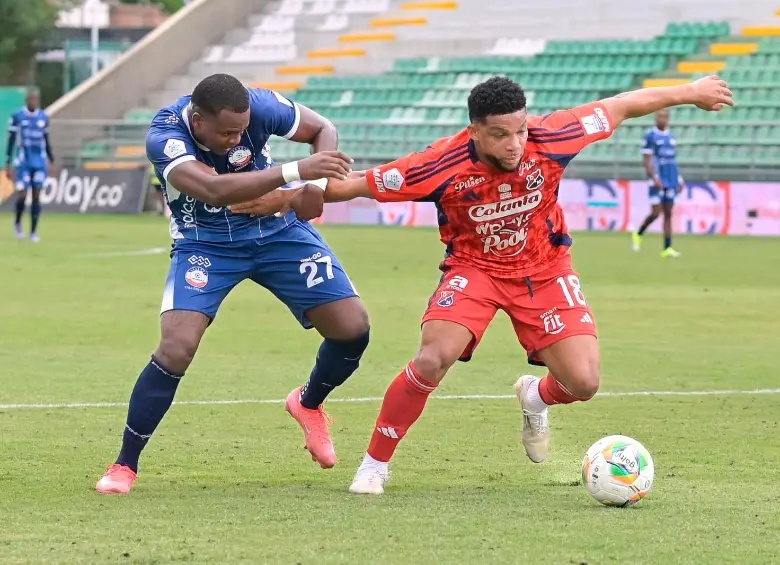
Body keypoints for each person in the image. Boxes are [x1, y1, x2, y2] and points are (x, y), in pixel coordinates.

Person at [232, 74, 733, 495]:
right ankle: (375, 465)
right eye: (500, 135)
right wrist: (284, 195)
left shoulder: (553, 136)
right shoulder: (438, 165)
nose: (514, 144)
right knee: (433, 357)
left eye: (519, 131)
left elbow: (622, 105)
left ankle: (536, 397)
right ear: (474, 130)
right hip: (475, 271)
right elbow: (356, 184)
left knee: (583, 383)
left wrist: (691, 90)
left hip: (546, 268)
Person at [96, 73, 369, 495]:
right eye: (226, 133)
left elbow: (322, 129)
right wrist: (297, 172)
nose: (237, 139)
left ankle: (308, 402)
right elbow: (214, 189)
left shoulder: (258, 105)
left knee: (352, 328)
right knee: (177, 346)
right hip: (206, 243)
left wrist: (313, 186)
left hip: (277, 232)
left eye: (242, 131)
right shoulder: (165, 135)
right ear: (198, 120)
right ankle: (124, 465)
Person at [632, 109, 683, 257]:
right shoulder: (650, 136)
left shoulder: (671, 137)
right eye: (660, 116)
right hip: (657, 180)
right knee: (656, 212)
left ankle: (667, 248)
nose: (663, 119)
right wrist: (654, 179)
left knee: (668, 213)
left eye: (666, 117)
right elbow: (647, 160)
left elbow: (673, 161)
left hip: (671, 179)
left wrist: (679, 179)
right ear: (655, 118)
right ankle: (639, 233)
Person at [5, 88, 53, 243]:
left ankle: (33, 231)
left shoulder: (43, 118)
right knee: (23, 194)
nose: (34, 101)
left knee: (37, 195)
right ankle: (18, 222)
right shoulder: (18, 117)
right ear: (27, 100)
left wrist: (51, 160)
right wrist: (8, 163)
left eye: (36, 99)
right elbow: (11, 141)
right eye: (31, 99)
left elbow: (47, 141)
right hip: (23, 161)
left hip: (39, 162)